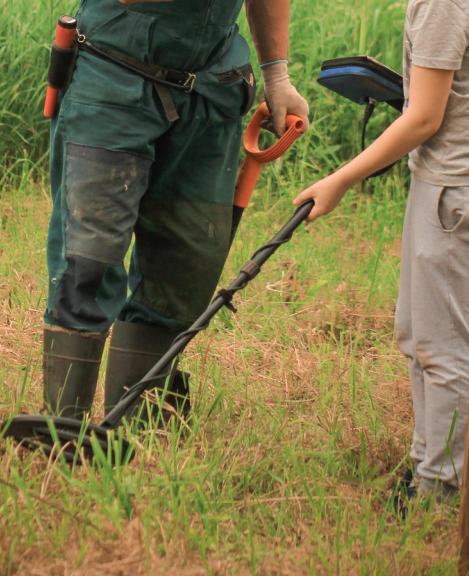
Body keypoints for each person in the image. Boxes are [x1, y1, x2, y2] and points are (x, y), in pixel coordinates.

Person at [293, 0, 469, 502]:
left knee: (442, 346)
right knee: (417, 331)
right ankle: (426, 467)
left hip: (459, 182)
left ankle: (439, 492)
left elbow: (423, 120)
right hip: (451, 172)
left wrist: (340, 180)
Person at [43, 1, 309, 421]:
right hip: (113, 73)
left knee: (185, 263)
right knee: (88, 259)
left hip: (210, 90)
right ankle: (62, 429)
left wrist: (277, 73)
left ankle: (134, 429)